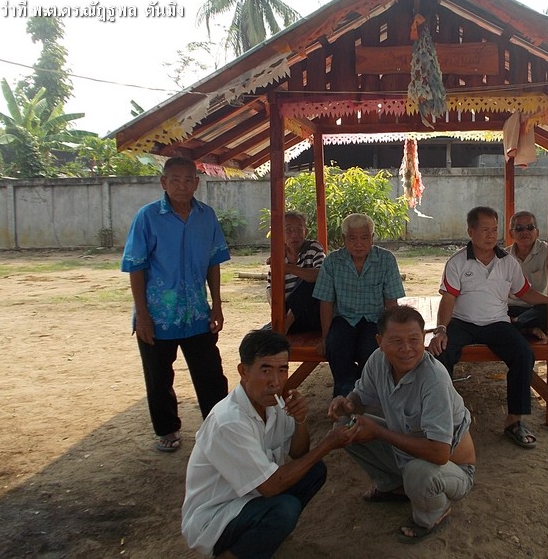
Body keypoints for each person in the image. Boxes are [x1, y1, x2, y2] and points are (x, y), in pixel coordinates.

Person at [182, 330, 358, 559]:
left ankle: (262, 537)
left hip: (250, 498)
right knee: (284, 510)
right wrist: (327, 444)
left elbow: (299, 452)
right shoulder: (229, 421)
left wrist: (300, 420)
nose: (275, 381)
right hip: (215, 516)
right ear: (243, 371)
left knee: (313, 471)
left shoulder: (273, 405)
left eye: (282, 370)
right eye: (265, 370)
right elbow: (271, 487)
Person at [427, 206, 548, 450]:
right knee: (440, 352)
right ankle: (443, 419)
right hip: (463, 322)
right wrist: (441, 329)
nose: (490, 235)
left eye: (494, 230)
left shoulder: (508, 262)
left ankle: (514, 421)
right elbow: (449, 298)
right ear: (471, 231)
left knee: (523, 354)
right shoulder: (457, 262)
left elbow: (525, 293)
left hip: (497, 322)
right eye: (485, 230)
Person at [328, 306, 476, 545]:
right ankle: (394, 487)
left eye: (414, 340)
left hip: (452, 469)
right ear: (380, 342)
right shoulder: (378, 361)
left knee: (418, 471)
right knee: (346, 426)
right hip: (409, 454)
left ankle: (434, 514)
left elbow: (440, 453)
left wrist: (378, 432)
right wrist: (347, 404)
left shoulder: (434, 379)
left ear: (424, 339)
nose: (406, 349)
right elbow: (360, 398)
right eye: (396, 341)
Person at [121, 156, 230, 453]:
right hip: (158, 316)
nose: (182, 186)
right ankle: (167, 430)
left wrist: (216, 305)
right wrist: (142, 316)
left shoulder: (206, 216)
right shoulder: (147, 217)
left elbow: (214, 262)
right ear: (163, 182)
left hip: (197, 314)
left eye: (187, 180)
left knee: (211, 375)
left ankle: (219, 427)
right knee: (158, 377)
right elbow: (135, 267)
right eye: (175, 180)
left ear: (197, 183)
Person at [312, 213, 406, 397]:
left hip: (374, 320)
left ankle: (365, 398)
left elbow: (391, 303)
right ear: (344, 239)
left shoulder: (386, 259)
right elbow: (326, 301)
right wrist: (324, 337)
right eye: (352, 238)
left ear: (372, 238)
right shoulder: (332, 262)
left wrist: (392, 334)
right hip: (344, 319)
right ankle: (344, 399)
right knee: (336, 347)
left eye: (364, 238)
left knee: (371, 351)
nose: (358, 244)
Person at [505, 210, 548, 342]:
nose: (525, 232)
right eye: (519, 228)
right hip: (511, 308)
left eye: (530, 227)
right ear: (511, 233)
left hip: (537, 309)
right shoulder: (504, 256)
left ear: (537, 232)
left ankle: (516, 325)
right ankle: (525, 327)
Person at [265, 211, 325, 334]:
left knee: (311, 280)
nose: (294, 235)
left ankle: (285, 326)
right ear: (281, 234)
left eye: (299, 230)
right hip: (285, 313)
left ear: (306, 232)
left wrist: (286, 268)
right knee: (255, 340)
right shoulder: (278, 256)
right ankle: (283, 324)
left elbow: (320, 275)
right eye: (289, 230)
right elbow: (270, 289)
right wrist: (278, 312)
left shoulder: (313, 248)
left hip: (311, 315)